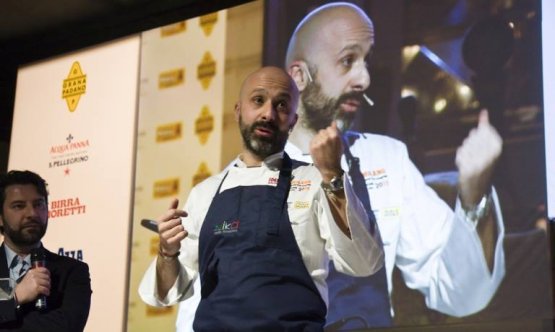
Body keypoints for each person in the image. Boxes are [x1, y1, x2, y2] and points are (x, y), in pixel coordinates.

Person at [283, 2, 506, 330]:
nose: (364, 78)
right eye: (348, 61)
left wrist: (474, 196)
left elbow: (461, 293)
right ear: (299, 76)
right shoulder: (240, 187)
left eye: (366, 61)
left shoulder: (388, 160)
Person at [138, 66, 384, 331]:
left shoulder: (316, 180)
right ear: (238, 111)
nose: (268, 113)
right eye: (258, 100)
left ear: (292, 121)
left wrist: (334, 176)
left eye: (281, 105)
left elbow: (364, 262)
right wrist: (167, 251)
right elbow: (167, 294)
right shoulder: (205, 193)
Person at [0, 170, 92, 331]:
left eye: (39, 204)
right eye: (19, 206)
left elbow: (67, 326)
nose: (32, 213)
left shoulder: (73, 271)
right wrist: (15, 297)